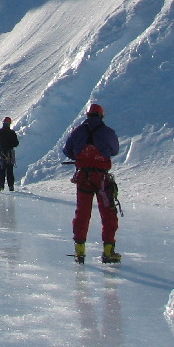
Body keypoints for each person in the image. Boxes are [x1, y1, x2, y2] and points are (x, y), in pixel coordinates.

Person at [63, 103, 121, 263]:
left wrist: (80, 157)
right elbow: (115, 150)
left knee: (82, 213)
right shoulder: (107, 132)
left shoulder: (77, 131)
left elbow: (67, 150)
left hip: (83, 177)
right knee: (108, 214)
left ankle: (79, 251)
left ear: (87, 115)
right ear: (101, 116)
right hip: (101, 179)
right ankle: (108, 251)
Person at [0, 117, 19, 191]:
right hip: (10, 153)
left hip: (2, 152)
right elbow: (16, 143)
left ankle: (1, 185)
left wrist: (2, 144)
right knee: (10, 169)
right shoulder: (12, 133)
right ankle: (11, 186)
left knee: (2, 169)